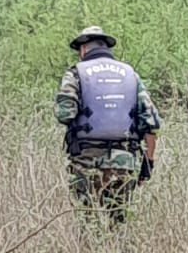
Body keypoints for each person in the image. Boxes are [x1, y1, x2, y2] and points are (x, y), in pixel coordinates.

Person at [55, 25, 161, 223]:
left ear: (84, 49)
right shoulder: (131, 75)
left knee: (89, 223)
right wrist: (148, 163)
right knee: (120, 223)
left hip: (86, 161)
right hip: (125, 161)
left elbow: (64, 114)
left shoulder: (75, 74)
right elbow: (151, 123)